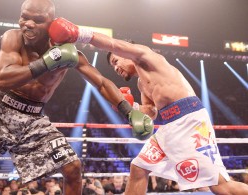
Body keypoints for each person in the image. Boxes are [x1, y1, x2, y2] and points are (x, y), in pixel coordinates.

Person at [0, 0, 153, 195]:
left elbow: (101, 82)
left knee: (73, 168)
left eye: (36, 20)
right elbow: (3, 78)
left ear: (51, 23)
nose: (27, 24)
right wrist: (47, 62)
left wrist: (128, 112)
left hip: (33, 120)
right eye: (24, 17)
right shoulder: (13, 37)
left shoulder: (70, 52)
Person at [48, 17, 248, 194]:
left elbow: (112, 43)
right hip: (169, 127)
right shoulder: (141, 83)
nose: (116, 68)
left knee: (222, 187)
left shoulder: (146, 55)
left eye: (116, 61)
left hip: (189, 123)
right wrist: (131, 107)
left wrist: (79, 33)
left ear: (127, 52)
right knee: (138, 168)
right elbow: (151, 113)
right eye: (113, 66)